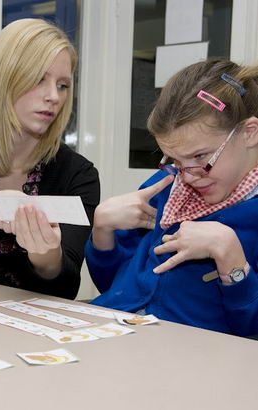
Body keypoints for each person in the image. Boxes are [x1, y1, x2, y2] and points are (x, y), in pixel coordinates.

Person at [85, 58, 258, 337]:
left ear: (250, 133)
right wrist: (102, 231)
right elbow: (117, 290)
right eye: (174, 160)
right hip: (119, 335)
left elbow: (250, 334)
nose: (188, 176)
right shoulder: (167, 185)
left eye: (200, 157)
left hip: (196, 359)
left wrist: (231, 258)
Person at [0, 18, 100, 299]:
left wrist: (48, 257)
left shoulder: (77, 174)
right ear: (5, 78)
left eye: (63, 85)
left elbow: (65, 289)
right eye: (39, 79)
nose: (53, 97)